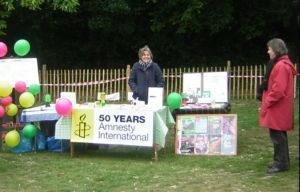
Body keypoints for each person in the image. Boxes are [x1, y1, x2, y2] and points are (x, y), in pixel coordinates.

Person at [259, 38, 297, 174]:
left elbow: (278, 90)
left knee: (277, 136)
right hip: (280, 107)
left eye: (269, 48)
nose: (268, 51)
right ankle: (282, 162)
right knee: (280, 135)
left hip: (277, 107)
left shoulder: (280, 66)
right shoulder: (283, 64)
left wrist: (267, 102)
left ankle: (281, 163)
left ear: (276, 50)